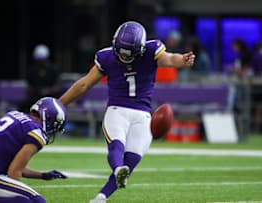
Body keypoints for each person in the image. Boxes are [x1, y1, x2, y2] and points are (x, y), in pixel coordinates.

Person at [59, 21, 195, 203]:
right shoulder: (107, 56)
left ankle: (101, 197)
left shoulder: (151, 50)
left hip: (141, 115)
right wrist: (60, 104)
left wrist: (181, 60)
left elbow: (169, 59)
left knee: (130, 159)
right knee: (117, 146)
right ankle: (115, 173)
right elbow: (84, 84)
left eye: (129, 53)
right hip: (119, 110)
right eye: (121, 52)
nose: (124, 57)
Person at [0, 97, 68, 203]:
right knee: (35, 201)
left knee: (26, 199)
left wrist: (43, 175)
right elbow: (14, 172)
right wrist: (16, 198)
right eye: (54, 127)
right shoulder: (36, 131)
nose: (51, 131)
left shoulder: (15, 116)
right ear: (48, 118)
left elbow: (15, 165)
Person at [22, 44, 61, 112]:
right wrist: (34, 90)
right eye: (38, 60)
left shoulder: (53, 69)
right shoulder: (32, 69)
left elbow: (58, 86)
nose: (40, 62)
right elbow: (28, 86)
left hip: (50, 98)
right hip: (35, 98)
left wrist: (48, 90)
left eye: (42, 59)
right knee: (23, 106)